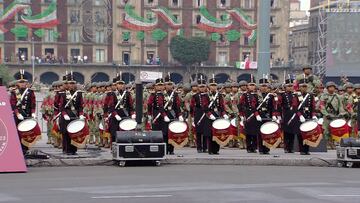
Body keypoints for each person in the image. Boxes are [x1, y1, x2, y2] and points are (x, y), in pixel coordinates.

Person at [10, 70, 36, 155]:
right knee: (18, 133)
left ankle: (25, 149)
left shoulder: (30, 92)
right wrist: (17, 113)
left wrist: (33, 113)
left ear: (26, 83)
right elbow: (13, 105)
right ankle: (18, 149)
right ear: (18, 83)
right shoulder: (14, 92)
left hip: (27, 115)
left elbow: (33, 104)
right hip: (18, 116)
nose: (22, 84)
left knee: (26, 133)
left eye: (24, 82)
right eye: (21, 82)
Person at [58, 72, 85, 155]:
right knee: (66, 134)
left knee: (74, 133)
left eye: (73, 83)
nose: (72, 85)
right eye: (70, 83)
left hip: (75, 115)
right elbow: (61, 107)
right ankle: (66, 149)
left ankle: (74, 149)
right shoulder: (63, 94)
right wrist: (64, 114)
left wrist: (80, 114)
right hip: (66, 115)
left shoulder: (79, 94)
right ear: (68, 84)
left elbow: (80, 106)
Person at [108, 74, 135, 144]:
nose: (121, 85)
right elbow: (111, 106)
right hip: (115, 117)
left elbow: (131, 106)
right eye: (119, 84)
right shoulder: (113, 94)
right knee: (114, 133)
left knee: (126, 133)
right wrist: (116, 115)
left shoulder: (127, 94)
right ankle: (114, 147)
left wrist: (132, 114)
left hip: (125, 116)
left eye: (122, 84)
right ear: (116, 85)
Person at [319, 81, 346, 148]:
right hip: (327, 115)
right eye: (330, 87)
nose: (332, 88)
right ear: (327, 88)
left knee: (334, 130)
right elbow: (321, 106)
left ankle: (333, 143)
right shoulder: (324, 96)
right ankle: (327, 143)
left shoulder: (337, 96)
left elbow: (340, 106)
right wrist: (326, 114)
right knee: (326, 130)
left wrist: (341, 113)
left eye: (333, 87)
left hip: (335, 115)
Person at [239, 75, 260, 153]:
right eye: (250, 85)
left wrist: (257, 114)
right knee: (248, 132)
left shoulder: (256, 95)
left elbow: (257, 106)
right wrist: (241, 115)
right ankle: (249, 147)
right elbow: (240, 105)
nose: (252, 87)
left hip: (254, 114)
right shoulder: (244, 95)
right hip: (247, 114)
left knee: (254, 132)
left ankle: (254, 147)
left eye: (253, 85)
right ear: (248, 86)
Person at [163, 75, 183, 154]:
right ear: (165, 85)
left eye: (171, 84)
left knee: (172, 133)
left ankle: (171, 150)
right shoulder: (161, 94)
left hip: (172, 115)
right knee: (165, 134)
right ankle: (165, 149)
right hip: (164, 115)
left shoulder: (175, 95)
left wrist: (180, 115)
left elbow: (177, 106)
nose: (169, 86)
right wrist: (164, 116)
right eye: (168, 84)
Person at [296, 79, 318, 155]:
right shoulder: (296, 95)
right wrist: (300, 116)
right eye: (303, 86)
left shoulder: (310, 96)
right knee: (301, 134)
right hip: (300, 117)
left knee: (308, 134)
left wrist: (314, 116)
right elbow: (295, 108)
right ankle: (302, 149)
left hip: (308, 116)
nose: (304, 88)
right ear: (300, 87)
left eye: (306, 86)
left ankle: (307, 150)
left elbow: (313, 107)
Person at [207, 77, 227, 155]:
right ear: (209, 86)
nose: (213, 87)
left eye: (215, 85)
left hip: (218, 115)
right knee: (211, 134)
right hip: (210, 116)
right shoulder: (206, 95)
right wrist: (210, 115)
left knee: (218, 133)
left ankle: (216, 149)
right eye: (212, 85)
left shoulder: (219, 95)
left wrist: (224, 114)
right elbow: (205, 107)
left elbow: (222, 106)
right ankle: (210, 149)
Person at [190, 77, 210, 153]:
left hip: (206, 114)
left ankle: (205, 147)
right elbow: (192, 106)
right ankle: (199, 147)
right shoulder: (195, 96)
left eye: (203, 86)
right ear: (198, 87)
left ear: (205, 87)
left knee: (205, 131)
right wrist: (192, 116)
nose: (202, 88)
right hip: (198, 113)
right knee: (198, 132)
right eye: (200, 87)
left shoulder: (208, 96)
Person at [278, 78, 298, 153]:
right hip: (286, 114)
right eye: (288, 86)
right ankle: (286, 147)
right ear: (285, 87)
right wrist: (279, 115)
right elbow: (279, 105)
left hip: (293, 115)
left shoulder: (295, 95)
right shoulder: (282, 95)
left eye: (291, 86)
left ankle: (291, 147)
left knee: (292, 132)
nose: (290, 87)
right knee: (286, 132)